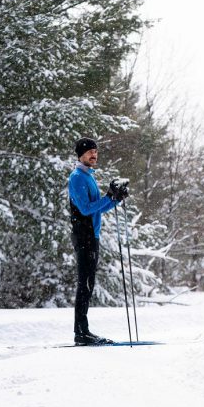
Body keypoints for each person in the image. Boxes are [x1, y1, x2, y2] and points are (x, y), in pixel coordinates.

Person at [68, 137, 129, 345]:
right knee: (84, 283)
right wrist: (108, 197)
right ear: (80, 155)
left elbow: (98, 209)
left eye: (96, 151)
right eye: (89, 152)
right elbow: (85, 209)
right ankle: (81, 333)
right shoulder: (77, 178)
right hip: (83, 236)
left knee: (88, 283)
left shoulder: (88, 177)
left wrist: (114, 199)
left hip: (92, 236)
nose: (94, 155)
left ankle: (83, 331)